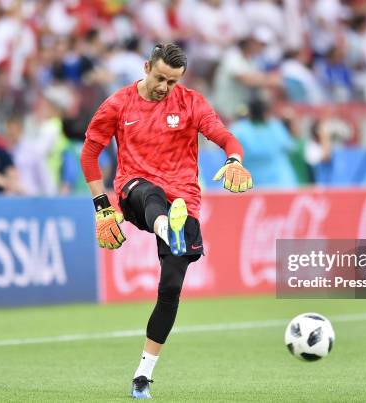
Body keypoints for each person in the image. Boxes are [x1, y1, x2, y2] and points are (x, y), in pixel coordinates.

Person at [79, 43, 253, 399]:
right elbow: (90, 153)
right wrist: (101, 205)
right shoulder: (118, 104)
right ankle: (165, 227)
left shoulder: (191, 103)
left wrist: (234, 160)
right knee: (150, 194)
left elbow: (225, 136)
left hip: (184, 200)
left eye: (172, 81)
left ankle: (143, 375)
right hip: (134, 191)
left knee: (171, 287)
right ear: (146, 67)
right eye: (160, 77)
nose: (164, 87)